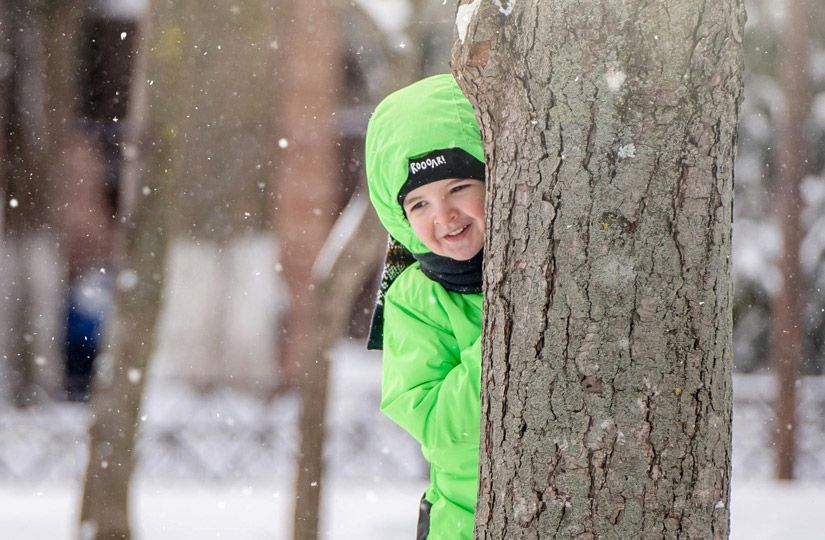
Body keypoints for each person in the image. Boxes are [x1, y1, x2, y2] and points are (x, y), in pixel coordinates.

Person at [365, 74, 485, 540]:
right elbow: (442, 428)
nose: (444, 215)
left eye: (459, 187)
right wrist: (504, 334)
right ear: (400, 219)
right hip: (463, 526)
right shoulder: (415, 297)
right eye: (418, 203)